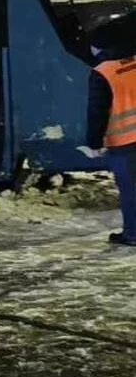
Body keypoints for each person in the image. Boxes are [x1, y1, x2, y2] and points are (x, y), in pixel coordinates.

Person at [85, 27, 136, 246]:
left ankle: (133, 234)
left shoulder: (103, 72)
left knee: (130, 190)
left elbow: (97, 111)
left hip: (124, 142)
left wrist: (94, 142)